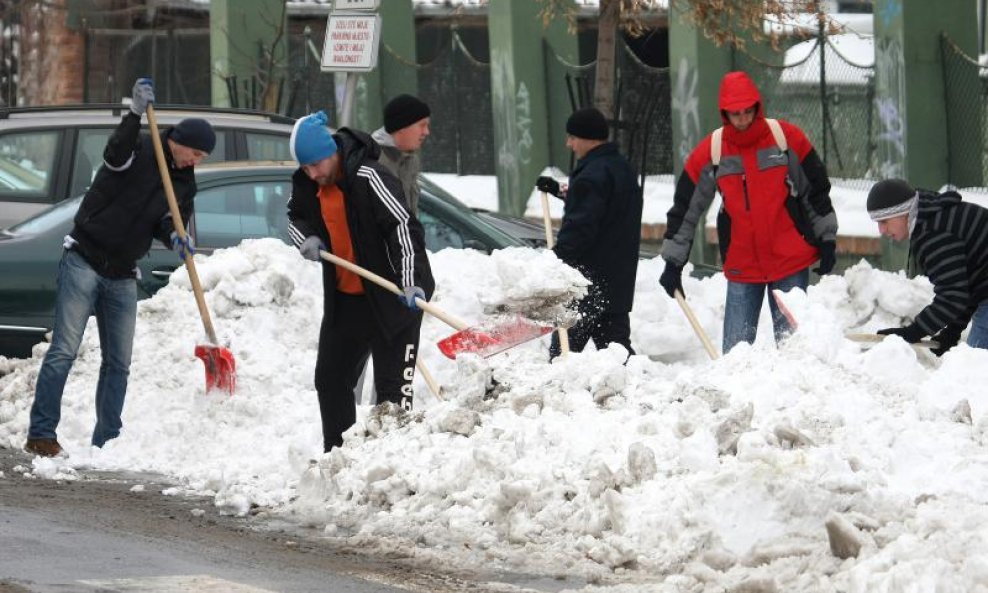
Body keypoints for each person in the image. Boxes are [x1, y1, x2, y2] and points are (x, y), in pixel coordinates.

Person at [25, 78, 215, 457]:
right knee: (64, 349)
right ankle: (41, 434)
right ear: (177, 141)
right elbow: (113, 157)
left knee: (119, 363)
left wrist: (174, 237)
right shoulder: (142, 147)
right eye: (194, 153)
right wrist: (132, 114)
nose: (195, 161)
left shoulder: (185, 182)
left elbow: (169, 220)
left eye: (201, 158)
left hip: (124, 271)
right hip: (84, 256)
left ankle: (107, 441)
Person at [659, 70, 838, 353]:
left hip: (789, 261)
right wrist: (673, 262)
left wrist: (827, 240)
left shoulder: (785, 139)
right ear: (724, 113)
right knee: (735, 356)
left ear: (757, 107)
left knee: (797, 353)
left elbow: (815, 191)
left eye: (747, 111)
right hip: (743, 265)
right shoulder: (713, 151)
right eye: (735, 114)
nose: (742, 119)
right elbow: (686, 209)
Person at [287, 111, 434, 453]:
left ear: (332, 151)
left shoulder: (369, 176)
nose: (313, 173)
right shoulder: (309, 183)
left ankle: (390, 461)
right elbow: (295, 216)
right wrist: (306, 237)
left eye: (317, 164)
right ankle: (339, 456)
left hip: (395, 298)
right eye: (305, 168)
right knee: (330, 379)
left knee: (392, 393)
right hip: (348, 300)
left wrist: (410, 280)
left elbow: (403, 227)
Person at [535, 107, 642, 359]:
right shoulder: (621, 169)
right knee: (617, 355)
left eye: (572, 137)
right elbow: (603, 206)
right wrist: (560, 190)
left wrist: (556, 260)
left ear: (588, 138)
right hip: (616, 282)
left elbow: (580, 228)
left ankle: (558, 393)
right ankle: (626, 395)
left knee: (563, 356)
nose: (569, 144)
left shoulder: (592, 175)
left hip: (587, 285)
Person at [868, 178, 988, 355]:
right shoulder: (934, 218)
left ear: (904, 212)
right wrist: (952, 332)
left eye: (884, 221)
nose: (881, 231)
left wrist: (913, 332)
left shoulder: (934, 233)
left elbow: (953, 295)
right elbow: (969, 285)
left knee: (976, 365)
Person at [371, 94, 431, 216]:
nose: (426, 132)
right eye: (422, 125)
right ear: (402, 126)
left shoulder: (411, 160)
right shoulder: (373, 159)